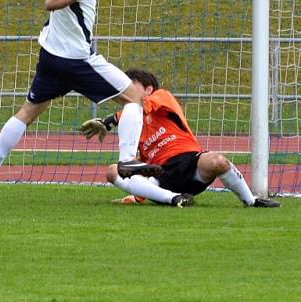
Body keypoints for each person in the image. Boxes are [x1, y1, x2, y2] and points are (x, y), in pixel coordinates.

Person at [0, 0, 159, 194]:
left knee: (27, 113)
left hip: (50, 57)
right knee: (136, 99)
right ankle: (127, 161)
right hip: (77, 61)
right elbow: (51, 2)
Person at [81, 68, 281, 208]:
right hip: (161, 176)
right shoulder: (133, 123)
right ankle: (175, 199)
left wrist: (108, 120)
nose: (127, 92)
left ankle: (251, 200)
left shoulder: (162, 97)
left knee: (218, 161)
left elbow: (138, 107)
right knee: (113, 171)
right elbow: (139, 164)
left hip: (190, 163)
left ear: (148, 89)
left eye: (131, 86)